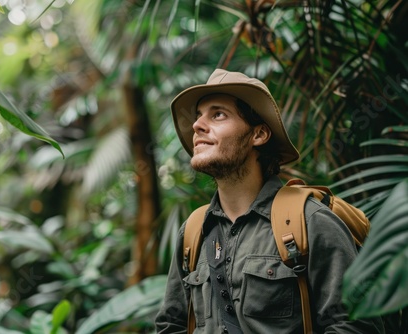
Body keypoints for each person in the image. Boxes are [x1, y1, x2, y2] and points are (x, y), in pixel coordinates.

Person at [154, 69, 385, 333]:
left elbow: (356, 325)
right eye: (198, 116)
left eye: (218, 114)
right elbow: (171, 325)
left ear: (259, 135)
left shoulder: (309, 222)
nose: (197, 125)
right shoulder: (194, 232)